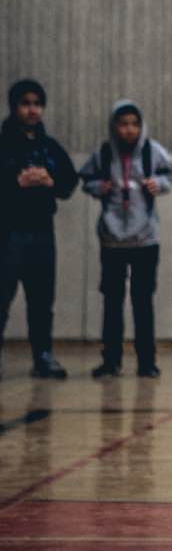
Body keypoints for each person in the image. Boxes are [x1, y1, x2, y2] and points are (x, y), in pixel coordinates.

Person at [79, 100, 172, 379]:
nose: (129, 130)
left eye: (135, 124)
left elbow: (170, 172)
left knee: (142, 301)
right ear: (114, 126)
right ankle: (111, 360)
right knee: (112, 302)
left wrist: (158, 184)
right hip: (112, 240)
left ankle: (147, 361)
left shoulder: (151, 151)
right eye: (123, 124)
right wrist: (99, 187)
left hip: (145, 239)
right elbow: (85, 179)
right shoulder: (103, 153)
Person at [0, 79, 77, 379]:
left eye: (37, 104)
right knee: (2, 297)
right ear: (14, 107)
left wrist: (50, 181)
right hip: (8, 233)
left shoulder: (50, 146)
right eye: (25, 104)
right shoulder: (4, 144)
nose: (32, 110)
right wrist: (15, 182)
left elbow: (70, 181)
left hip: (42, 233)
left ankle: (43, 356)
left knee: (42, 300)